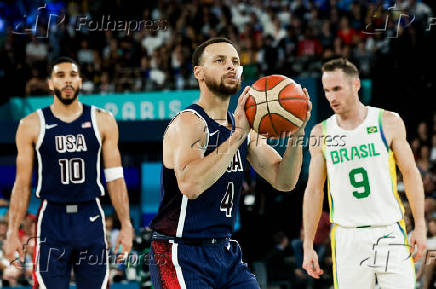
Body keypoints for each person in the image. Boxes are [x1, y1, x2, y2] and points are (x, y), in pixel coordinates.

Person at [149, 37, 311, 289]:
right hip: (180, 252)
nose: (231, 66)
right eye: (220, 60)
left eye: (235, 61)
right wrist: (236, 136)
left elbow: (285, 181)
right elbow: (191, 185)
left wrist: (297, 132)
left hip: (225, 250)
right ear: (198, 73)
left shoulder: (242, 127)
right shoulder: (190, 123)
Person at [3, 57, 133, 289]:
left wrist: (126, 224)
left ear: (80, 81)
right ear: (51, 83)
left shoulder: (102, 120)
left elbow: (115, 178)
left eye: (72, 75)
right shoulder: (31, 124)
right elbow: (22, 185)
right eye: (60, 76)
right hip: (52, 219)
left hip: (90, 215)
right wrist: (13, 231)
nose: (67, 81)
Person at [302, 58, 426, 289]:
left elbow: (410, 173)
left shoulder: (387, 121)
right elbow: (314, 190)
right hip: (347, 237)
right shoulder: (321, 132)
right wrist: (308, 245)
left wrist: (420, 225)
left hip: (389, 231)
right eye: (327, 90)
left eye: (337, 88)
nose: (331, 97)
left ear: (356, 84)